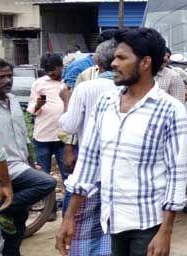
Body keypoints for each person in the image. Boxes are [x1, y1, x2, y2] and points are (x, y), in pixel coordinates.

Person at [56, 28, 187, 256]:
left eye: (122, 57)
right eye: (115, 57)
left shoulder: (170, 109)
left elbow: (176, 174)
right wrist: (69, 218)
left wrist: (165, 231)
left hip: (147, 224)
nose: (113, 63)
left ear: (145, 63)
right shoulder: (105, 102)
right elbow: (88, 162)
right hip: (111, 219)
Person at [58, 40, 117, 256]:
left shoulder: (86, 87)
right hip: (118, 171)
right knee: (111, 225)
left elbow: (70, 125)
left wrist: (65, 101)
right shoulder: (129, 87)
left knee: (84, 225)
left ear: (97, 62)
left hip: (90, 170)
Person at [0, 58, 57, 256]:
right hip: (3, 170)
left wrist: (31, 163)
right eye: (1, 77)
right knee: (47, 183)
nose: (7, 80)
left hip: (20, 165)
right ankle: (3, 208)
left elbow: (23, 135)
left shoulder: (13, 100)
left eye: (9, 76)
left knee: (17, 227)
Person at [27, 53, 67, 219]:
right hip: (42, 137)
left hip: (63, 137)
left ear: (61, 66)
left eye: (53, 70)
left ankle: (68, 209)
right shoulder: (39, 83)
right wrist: (38, 104)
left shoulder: (68, 82)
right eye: (48, 71)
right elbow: (32, 111)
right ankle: (49, 210)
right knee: (44, 176)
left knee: (67, 174)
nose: (51, 74)